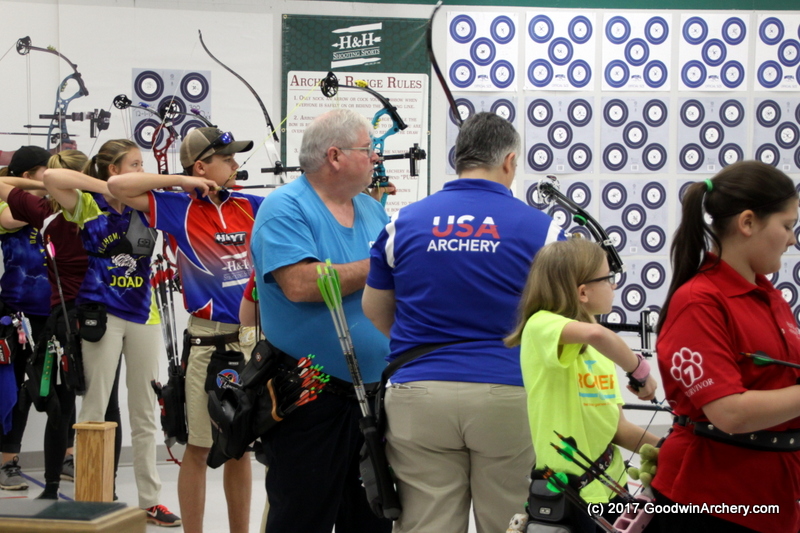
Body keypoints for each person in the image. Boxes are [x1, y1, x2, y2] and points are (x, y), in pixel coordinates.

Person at [361, 112, 562, 533]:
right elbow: (558, 324)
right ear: (509, 161)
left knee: (426, 523)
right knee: (510, 519)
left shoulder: (402, 224)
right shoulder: (542, 231)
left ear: (458, 158)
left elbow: (375, 309)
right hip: (508, 393)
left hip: (419, 394)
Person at [107, 127, 260, 533]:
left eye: (234, 158)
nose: (235, 165)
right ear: (201, 166)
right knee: (198, 447)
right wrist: (184, 182)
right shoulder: (179, 207)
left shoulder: (251, 204)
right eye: (226, 159)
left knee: (239, 448)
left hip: (252, 343)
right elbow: (117, 184)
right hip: (208, 342)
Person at [249, 108, 392, 533]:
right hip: (311, 396)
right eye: (369, 150)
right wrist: (378, 267)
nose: (376, 159)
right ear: (335, 156)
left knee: (373, 517)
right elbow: (300, 283)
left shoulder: (371, 210)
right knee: (302, 516)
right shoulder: (285, 207)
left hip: (375, 394)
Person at [651, 161, 800, 533]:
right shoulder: (699, 302)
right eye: (787, 226)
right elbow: (731, 413)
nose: (793, 239)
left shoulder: (771, 298)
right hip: (712, 499)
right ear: (747, 223)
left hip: (771, 497)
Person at [43, 140, 179, 525]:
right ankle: (91, 495)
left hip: (143, 314)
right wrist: (107, 187)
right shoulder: (89, 206)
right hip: (101, 314)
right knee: (95, 408)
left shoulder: (148, 206)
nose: (143, 168)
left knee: (144, 412)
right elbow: (52, 177)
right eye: (135, 164)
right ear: (114, 169)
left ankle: (150, 500)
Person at [505, 237, 658, 530]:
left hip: (613, 493)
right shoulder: (541, 325)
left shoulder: (599, 351)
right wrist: (640, 372)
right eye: (608, 278)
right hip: (569, 497)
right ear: (583, 292)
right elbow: (598, 336)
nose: (613, 286)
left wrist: (670, 451)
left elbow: (618, 428)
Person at [0, 149, 125, 499]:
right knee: (51, 398)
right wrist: (47, 187)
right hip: (49, 318)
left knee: (79, 401)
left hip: (87, 318)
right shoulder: (51, 210)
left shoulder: (79, 210)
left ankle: (71, 483)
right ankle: (22, 466)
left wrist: (49, 189)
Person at [0, 146, 52, 491]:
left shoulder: (53, 205)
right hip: (14, 312)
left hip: (52, 311)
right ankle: (8, 462)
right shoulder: (9, 206)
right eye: (45, 172)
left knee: (51, 388)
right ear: (28, 175)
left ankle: (64, 458)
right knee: (13, 389)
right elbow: (11, 219)